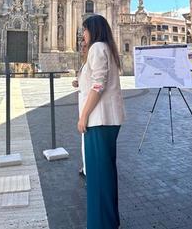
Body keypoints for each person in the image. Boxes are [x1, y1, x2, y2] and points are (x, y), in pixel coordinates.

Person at [78, 14, 125, 229]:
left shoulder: (97, 48)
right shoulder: (107, 48)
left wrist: (84, 116)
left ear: (94, 30)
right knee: (106, 174)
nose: (83, 34)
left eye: (85, 30)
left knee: (97, 178)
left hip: (98, 120)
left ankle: (100, 225)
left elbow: (98, 85)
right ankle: (110, 221)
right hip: (108, 119)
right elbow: (97, 81)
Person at [72, 38, 88, 178]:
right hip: (84, 106)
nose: (82, 49)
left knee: (87, 140)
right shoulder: (85, 63)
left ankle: (88, 169)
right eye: (81, 46)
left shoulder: (91, 63)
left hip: (88, 109)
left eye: (84, 47)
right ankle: (86, 167)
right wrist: (78, 82)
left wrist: (84, 116)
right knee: (84, 140)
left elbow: (97, 86)